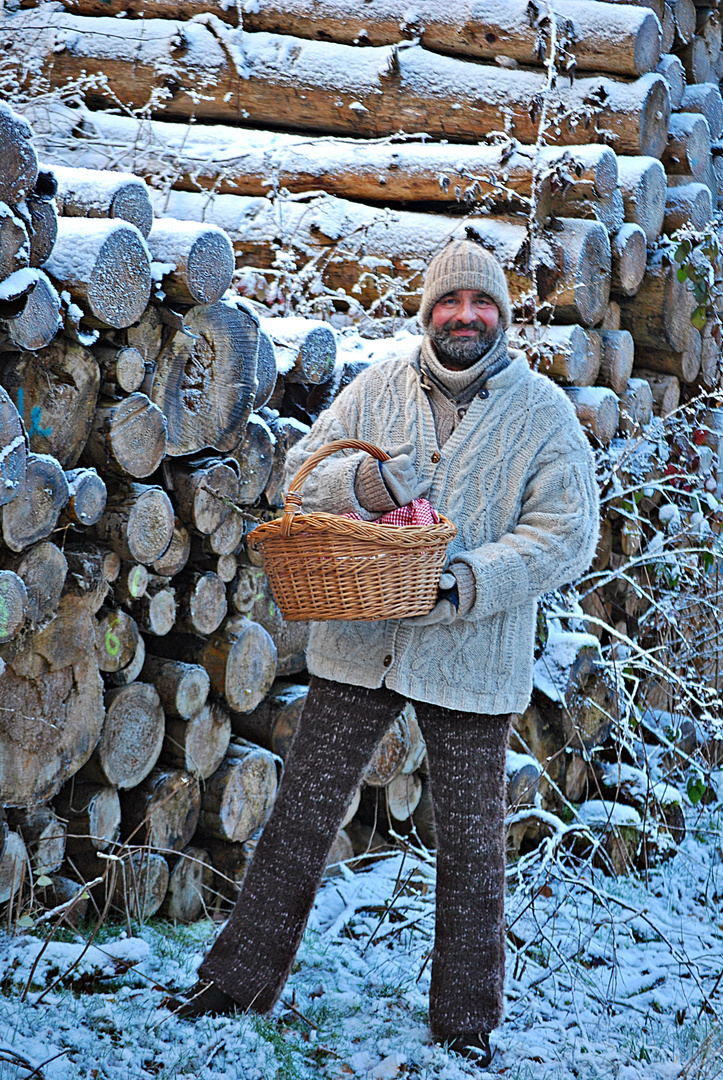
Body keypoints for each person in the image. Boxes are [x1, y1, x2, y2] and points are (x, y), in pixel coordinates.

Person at [169, 239, 600, 1067]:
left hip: (475, 657)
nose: (464, 318)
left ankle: (465, 1022)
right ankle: (235, 980)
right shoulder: (374, 390)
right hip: (358, 643)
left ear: (501, 319)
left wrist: (467, 580)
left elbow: (565, 534)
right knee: (300, 820)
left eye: (481, 306)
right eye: (449, 304)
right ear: (427, 313)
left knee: (473, 846)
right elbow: (301, 473)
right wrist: (366, 492)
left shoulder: (542, 411)